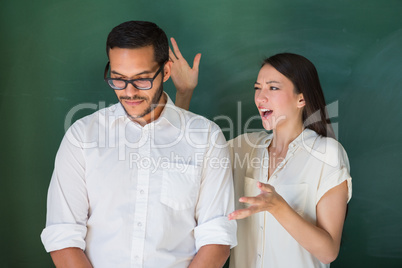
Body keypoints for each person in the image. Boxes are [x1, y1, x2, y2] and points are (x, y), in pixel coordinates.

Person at [40, 21, 237, 268]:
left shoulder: (206, 137)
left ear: (166, 72)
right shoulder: (82, 136)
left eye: (142, 80)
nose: (129, 92)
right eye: (118, 79)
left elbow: (217, 238)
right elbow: (63, 235)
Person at [170, 39, 352, 267]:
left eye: (273, 88)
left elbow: (328, 252)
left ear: (301, 98)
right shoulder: (244, 146)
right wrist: (184, 93)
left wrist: (278, 207)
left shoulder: (327, 154)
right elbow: (184, 155)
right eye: (257, 88)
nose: (260, 98)